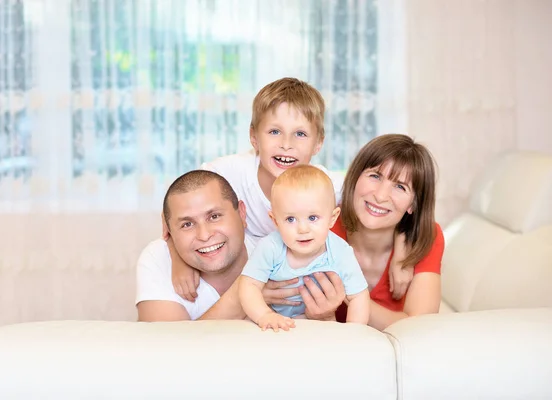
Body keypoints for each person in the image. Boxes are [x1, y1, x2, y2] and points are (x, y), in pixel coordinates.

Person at [167, 77, 411, 307]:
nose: (286, 144)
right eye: (274, 131)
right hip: (238, 279)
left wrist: (401, 252)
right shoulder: (227, 173)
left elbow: (381, 204)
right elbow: (175, 206)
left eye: (300, 134)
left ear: (318, 143)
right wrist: (180, 260)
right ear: (254, 137)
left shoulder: (326, 186)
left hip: (290, 290)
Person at [136, 169, 344, 322]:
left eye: (215, 216)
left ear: (242, 213)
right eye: (187, 224)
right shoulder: (159, 259)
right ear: (168, 228)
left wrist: (325, 316)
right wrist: (246, 294)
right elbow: (169, 353)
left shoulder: (282, 253)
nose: (205, 235)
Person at [331, 134, 445, 330]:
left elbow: (420, 327)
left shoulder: (425, 237)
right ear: (355, 177)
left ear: (413, 204)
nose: (381, 195)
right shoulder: (324, 224)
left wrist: (353, 296)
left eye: (400, 187)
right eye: (375, 176)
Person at [239, 165, 370, 331]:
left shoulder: (340, 251)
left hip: (315, 325)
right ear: (275, 220)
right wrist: (264, 315)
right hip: (274, 322)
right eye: (291, 219)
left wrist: (353, 333)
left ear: (332, 218)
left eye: (313, 218)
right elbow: (248, 285)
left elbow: (358, 296)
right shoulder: (270, 247)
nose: (303, 229)